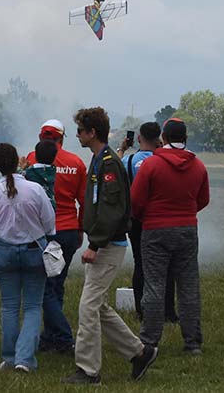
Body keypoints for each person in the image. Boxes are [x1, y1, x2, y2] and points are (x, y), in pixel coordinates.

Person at [62, 107, 158, 385]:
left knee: (88, 307)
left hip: (108, 244)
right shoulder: (102, 158)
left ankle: (89, 371)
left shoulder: (107, 163)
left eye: (80, 130)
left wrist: (95, 244)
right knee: (98, 305)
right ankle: (139, 353)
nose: (77, 134)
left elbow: (112, 208)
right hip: (104, 242)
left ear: (92, 133)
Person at [129, 118, 209, 356]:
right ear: (185, 139)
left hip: (155, 228)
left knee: (154, 285)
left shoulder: (151, 165)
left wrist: (147, 217)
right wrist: (185, 213)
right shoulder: (198, 166)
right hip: (187, 229)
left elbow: (136, 201)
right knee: (188, 285)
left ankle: (149, 341)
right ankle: (192, 342)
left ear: (163, 138)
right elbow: (203, 199)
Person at [0, 143, 56, 373]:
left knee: (9, 307)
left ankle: (8, 357)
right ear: (18, 160)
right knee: (33, 307)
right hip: (34, 249)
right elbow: (49, 222)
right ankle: (24, 359)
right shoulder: (34, 189)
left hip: (5, 250)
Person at [24, 120, 88, 355]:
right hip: (68, 230)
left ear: (41, 138)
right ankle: (51, 338)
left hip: (42, 233)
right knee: (57, 284)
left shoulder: (31, 159)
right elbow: (83, 201)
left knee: (45, 289)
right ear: (62, 139)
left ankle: (62, 337)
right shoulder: (76, 163)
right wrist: (81, 229)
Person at [119, 121, 175, 322]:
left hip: (137, 219)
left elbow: (115, 172)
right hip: (161, 218)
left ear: (139, 138)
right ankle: (169, 311)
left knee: (140, 264)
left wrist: (122, 149)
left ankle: (141, 311)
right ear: (158, 139)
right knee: (167, 265)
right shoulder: (164, 159)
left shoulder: (128, 160)